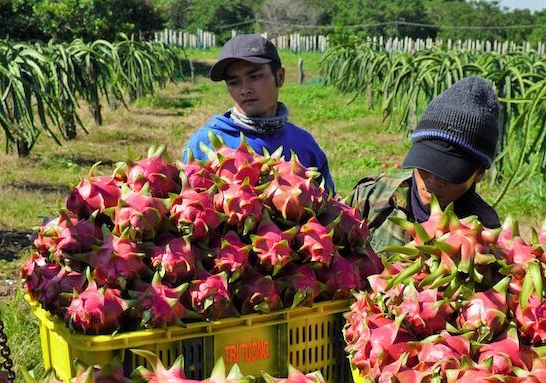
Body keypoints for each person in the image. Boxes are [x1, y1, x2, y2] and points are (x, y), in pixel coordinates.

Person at [349, 75, 502, 252]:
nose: (433, 180)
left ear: (479, 173)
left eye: (449, 171)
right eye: (427, 163)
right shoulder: (371, 196)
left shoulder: (486, 235)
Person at [183, 34, 334, 192]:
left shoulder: (304, 144)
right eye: (233, 82)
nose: (244, 89)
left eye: (255, 77)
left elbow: (330, 208)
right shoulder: (206, 144)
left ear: (280, 76)